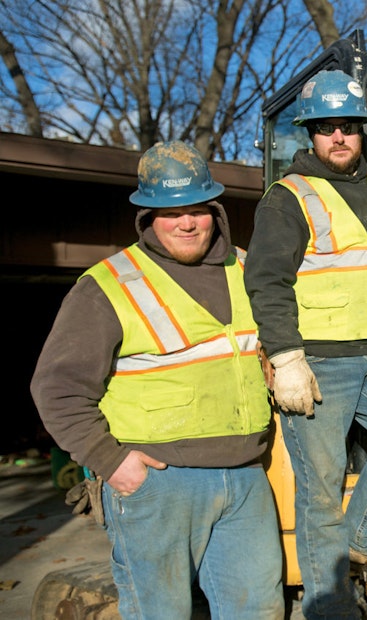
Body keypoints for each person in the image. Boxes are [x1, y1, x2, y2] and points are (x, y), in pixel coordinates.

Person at [30, 141, 284, 619]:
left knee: (260, 610)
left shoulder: (248, 269)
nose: (186, 223)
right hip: (161, 483)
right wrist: (113, 462)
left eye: (197, 210)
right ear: (147, 216)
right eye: (171, 212)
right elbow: (57, 389)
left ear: (216, 211)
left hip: (248, 477)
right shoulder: (108, 285)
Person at [242, 70, 367, 619]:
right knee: (321, 492)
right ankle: (328, 607)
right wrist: (285, 358)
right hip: (319, 363)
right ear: (311, 134)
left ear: (363, 133)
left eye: (348, 127)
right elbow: (266, 281)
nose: (338, 137)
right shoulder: (288, 198)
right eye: (326, 127)